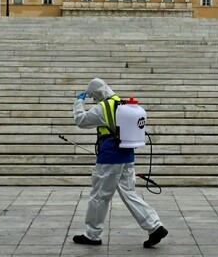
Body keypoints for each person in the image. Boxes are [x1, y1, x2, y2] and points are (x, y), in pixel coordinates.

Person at [72, 77, 168, 248]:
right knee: (130, 193)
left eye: (94, 97)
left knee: (100, 196)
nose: (94, 100)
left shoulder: (102, 108)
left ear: (98, 94)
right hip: (127, 156)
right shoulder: (122, 104)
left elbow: (81, 120)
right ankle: (155, 226)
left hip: (109, 158)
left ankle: (92, 234)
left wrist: (79, 102)